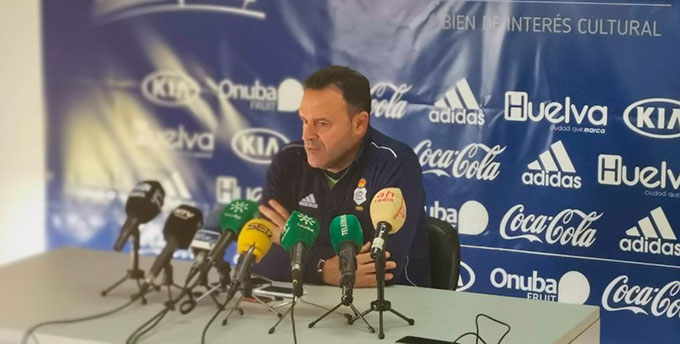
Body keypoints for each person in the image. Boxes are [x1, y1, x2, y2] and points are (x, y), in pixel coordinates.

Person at [253, 65, 430, 287]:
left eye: (322, 123)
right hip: (309, 303)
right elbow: (256, 253)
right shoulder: (290, 159)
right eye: (304, 120)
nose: (307, 135)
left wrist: (294, 246)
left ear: (359, 124)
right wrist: (322, 268)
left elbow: (380, 268)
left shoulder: (395, 162)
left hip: (394, 308)